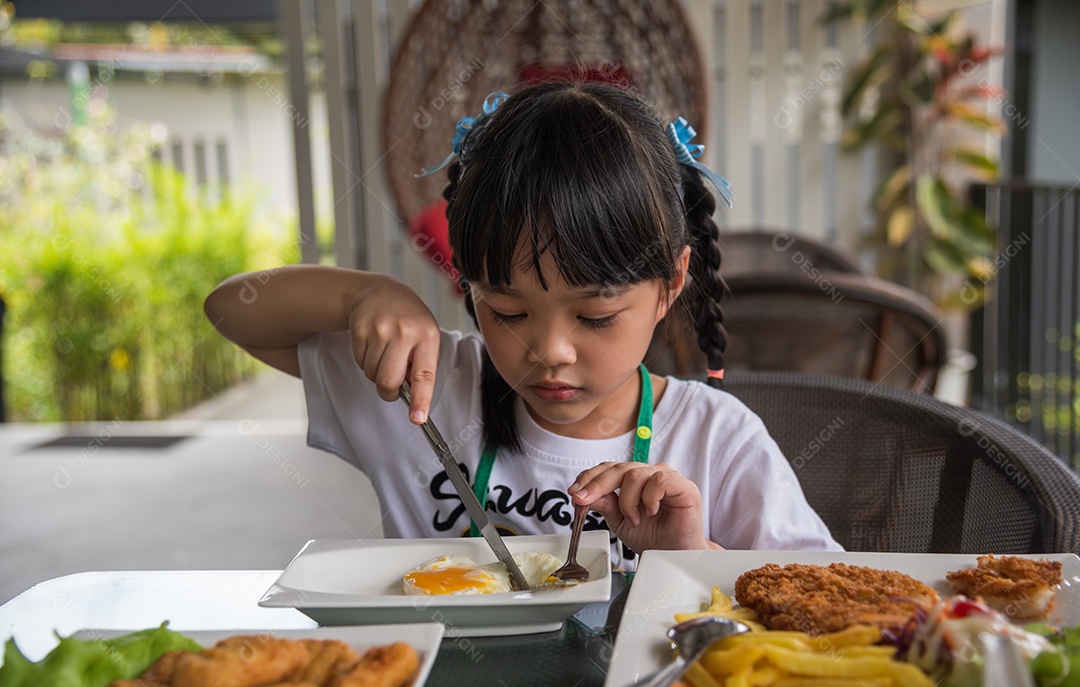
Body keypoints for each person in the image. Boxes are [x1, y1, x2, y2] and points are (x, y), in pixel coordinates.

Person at [205, 82, 841, 567]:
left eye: (595, 315)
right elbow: (231, 310)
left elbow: (826, 611)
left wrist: (691, 558)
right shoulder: (424, 387)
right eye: (507, 311)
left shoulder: (716, 440)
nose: (550, 350)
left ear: (671, 282)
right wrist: (362, 296)